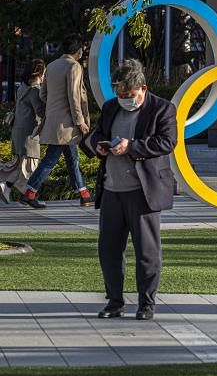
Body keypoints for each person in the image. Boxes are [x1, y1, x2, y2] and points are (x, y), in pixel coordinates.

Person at [91, 59, 177, 321]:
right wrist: (98, 145)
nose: (124, 100)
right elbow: (96, 134)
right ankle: (114, 302)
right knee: (109, 250)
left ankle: (146, 304)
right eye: (119, 95)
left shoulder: (162, 109)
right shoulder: (110, 108)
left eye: (128, 95)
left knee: (147, 252)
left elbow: (167, 142)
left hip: (143, 191)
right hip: (112, 189)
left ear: (142, 88)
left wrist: (131, 147)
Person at [20, 34, 93, 209]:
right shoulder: (73, 66)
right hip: (67, 124)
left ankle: (83, 194)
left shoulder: (51, 66)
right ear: (78, 49)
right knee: (51, 159)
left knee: (72, 158)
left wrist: (54, 107)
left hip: (54, 121)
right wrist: (80, 121)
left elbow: (42, 94)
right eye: (82, 48)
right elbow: (74, 97)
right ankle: (29, 192)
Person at [0, 60, 46, 203]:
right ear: (39, 72)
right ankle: (28, 196)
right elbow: (40, 112)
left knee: (19, 164)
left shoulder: (22, 88)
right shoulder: (35, 90)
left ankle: (6, 187)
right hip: (29, 133)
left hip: (18, 131)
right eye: (44, 72)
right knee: (29, 166)